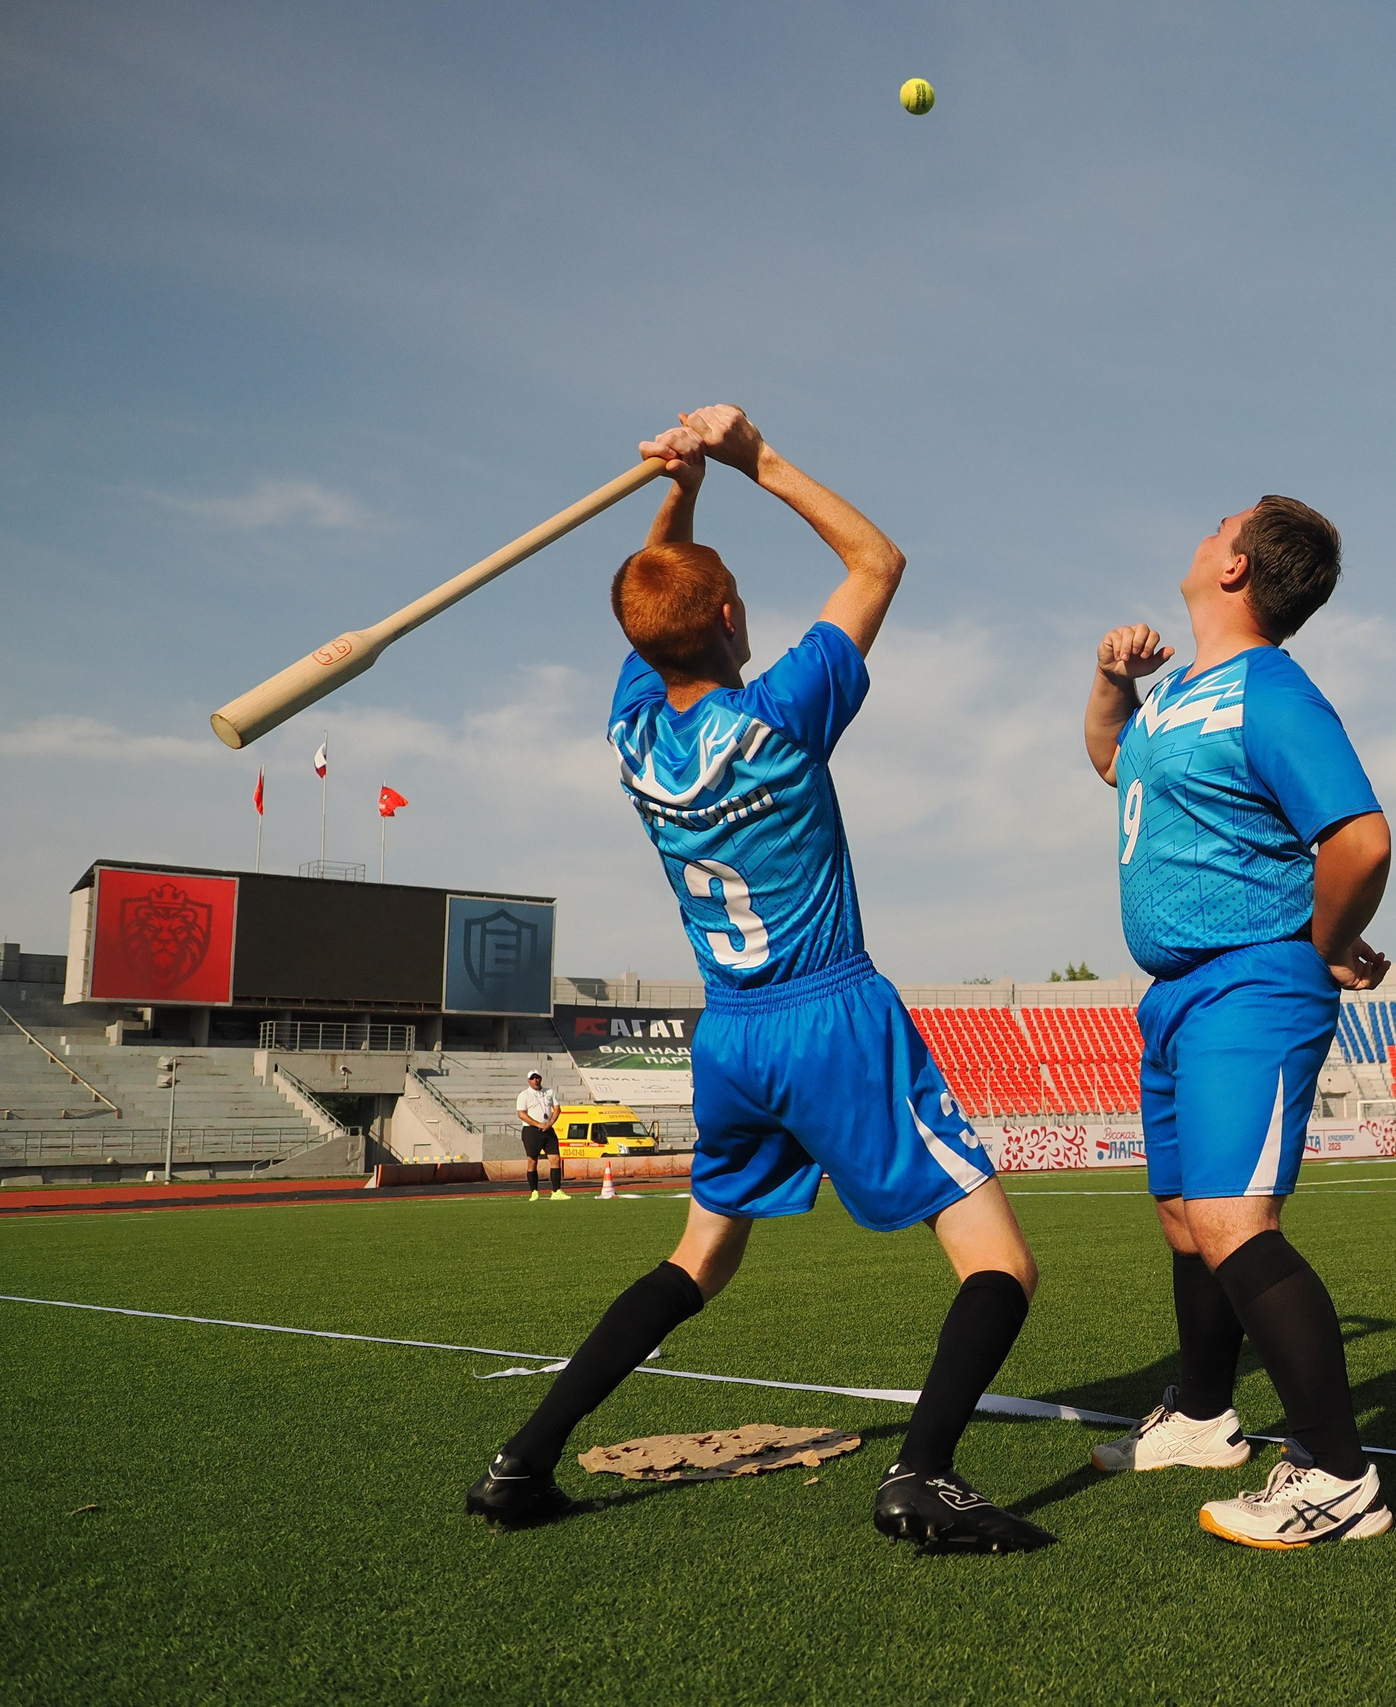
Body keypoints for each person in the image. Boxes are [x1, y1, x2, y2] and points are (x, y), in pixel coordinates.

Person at [465, 406, 1051, 1555]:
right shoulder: (781, 717)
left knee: (700, 1256)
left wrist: (676, 489)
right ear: (732, 615)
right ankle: (922, 1474)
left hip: (729, 1034)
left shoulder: (632, 731)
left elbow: (654, 604)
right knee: (1001, 1263)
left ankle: (520, 1462)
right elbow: (877, 560)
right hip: (832, 1015)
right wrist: (751, 460)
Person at [1080, 496, 1395, 1549]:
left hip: (1248, 985)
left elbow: (1359, 837)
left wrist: (1314, 942)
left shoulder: (1271, 690)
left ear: (1238, 568)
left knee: (1232, 1224)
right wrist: (1111, 686)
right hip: (1174, 996)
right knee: (1183, 1218)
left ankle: (1340, 1478)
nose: (1202, 529)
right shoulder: (1177, 696)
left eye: (1220, 525)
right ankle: (1205, 1416)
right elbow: (1110, 762)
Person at [517, 1071, 565, 1200]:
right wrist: (538, 1124)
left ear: (540, 1078)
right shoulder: (524, 1095)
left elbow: (557, 1109)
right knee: (532, 1161)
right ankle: (534, 1191)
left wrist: (549, 1123)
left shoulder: (549, 1092)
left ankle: (557, 1191)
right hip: (531, 1131)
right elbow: (521, 1114)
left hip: (548, 1129)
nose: (535, 1080)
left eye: (537, 1077)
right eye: (532, 1078)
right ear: (528, 1080)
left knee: (555, 1159)